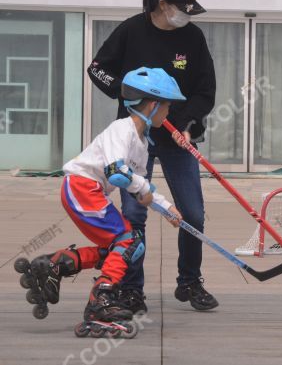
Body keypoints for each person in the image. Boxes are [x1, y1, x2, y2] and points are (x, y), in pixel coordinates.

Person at [16, 68, 183, 335]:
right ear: (153, 105)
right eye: (167, 105)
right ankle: (99, 302)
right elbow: (116, 173)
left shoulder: (141, 142)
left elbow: (141, 186)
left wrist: (166, 208)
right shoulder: (122, 129)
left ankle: (59, 264)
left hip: (88, 191)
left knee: (125, 246)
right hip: (82, 187)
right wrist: (142, 189)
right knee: (127, 242)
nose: (169, 112)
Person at [87, 0, 218, 313]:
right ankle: (131, 289)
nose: (186, 14)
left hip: (178, 136)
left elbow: (206, 91)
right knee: (134, 213)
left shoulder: (193, 38)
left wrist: (187, 125)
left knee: (192, 214)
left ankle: (189, 281)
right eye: (181, 7)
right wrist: (128, 92)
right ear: (162, 4)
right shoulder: (131, 30)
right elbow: (97, 68)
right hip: (137, 137)